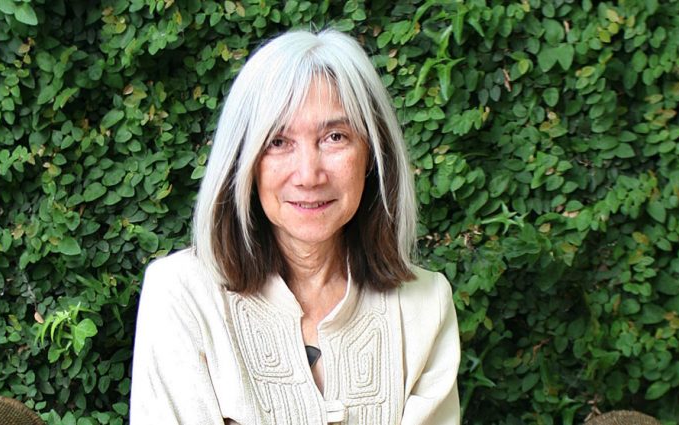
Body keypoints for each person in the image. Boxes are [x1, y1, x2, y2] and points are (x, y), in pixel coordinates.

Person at [130, 29, 461, 424]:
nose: (308, 175)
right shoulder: (181, 293)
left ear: (373, 154)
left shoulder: (425, 304)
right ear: (243, 161)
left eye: (335, 137)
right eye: (278, 142)